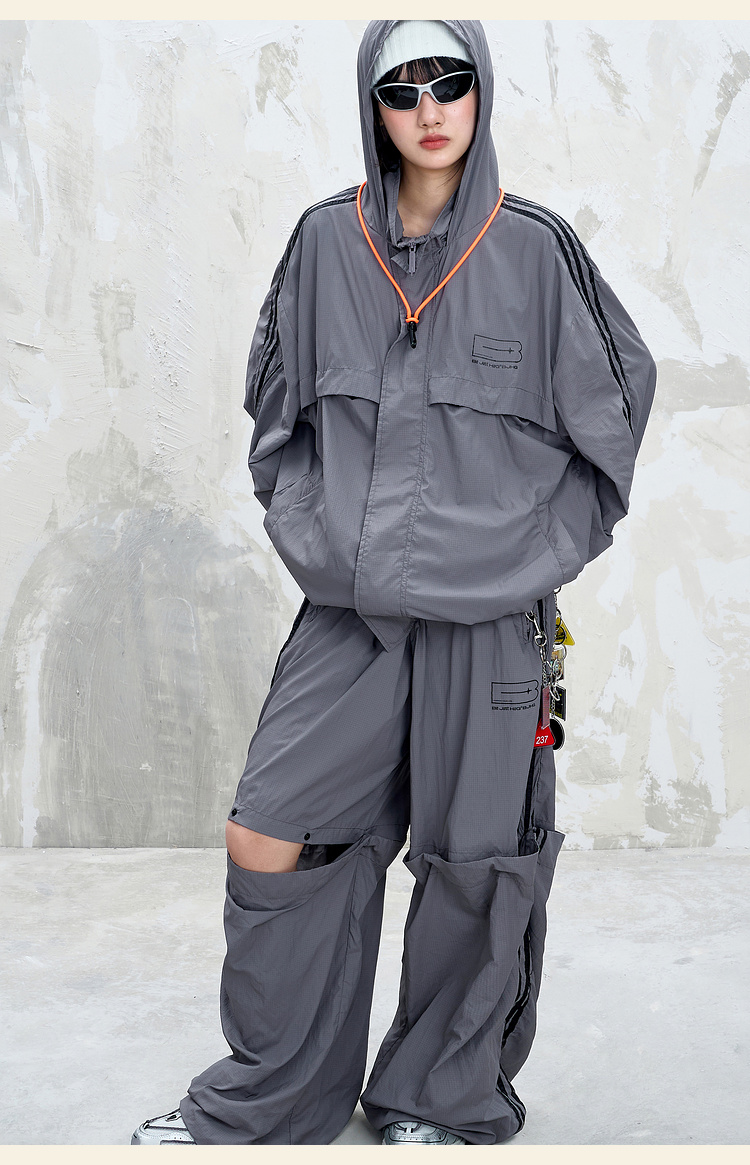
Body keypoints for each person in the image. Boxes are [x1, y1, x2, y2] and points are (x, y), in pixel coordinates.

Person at [132, 19, 656, 1147]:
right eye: (402, 87)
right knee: (271, 830)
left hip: (492, 625)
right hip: (350, 615)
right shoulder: (325, 242)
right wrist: (318, 539)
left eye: (448, 82)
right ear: (372, 105)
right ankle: (276, 1096)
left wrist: (531, 554)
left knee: (476, 863)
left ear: (481, 92)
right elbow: (276, 410)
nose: (429, 109)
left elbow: (615, 420)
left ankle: (433, 1096)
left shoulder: (536, 251)